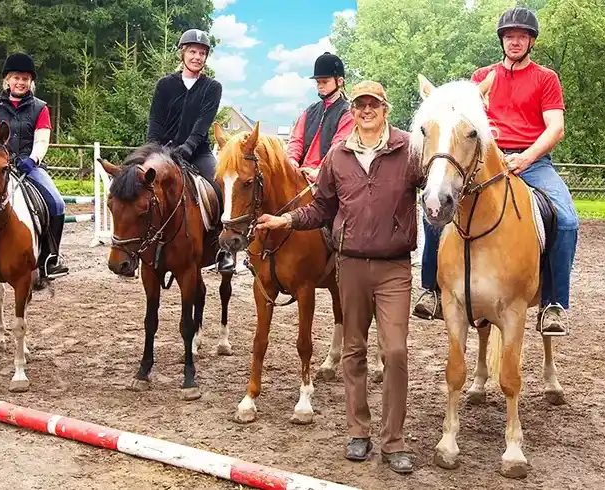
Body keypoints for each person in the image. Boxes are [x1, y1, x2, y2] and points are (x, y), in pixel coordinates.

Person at [255, 80, 421, 474]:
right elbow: (322, 209)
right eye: (360, 105)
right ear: (353, 111)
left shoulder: (409, 151)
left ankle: (393, 440)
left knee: (395, 351)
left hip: (394, 266)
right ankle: (358, 432)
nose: (366, 111)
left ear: (386, 108)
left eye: (374, 105)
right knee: (353, 350)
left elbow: (437, 189)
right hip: (350, 265)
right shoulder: (338, 156)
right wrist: (287, 219)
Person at [412, 6, 579, 336]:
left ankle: (554, 303)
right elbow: (462, 122)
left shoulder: (546, 79)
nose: (515, 41)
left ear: (531, 42)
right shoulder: (480, 78)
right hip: (487, 161)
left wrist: (527, 157)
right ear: (502, 41)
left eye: (521, 36)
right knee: (435, 207)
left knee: (568, 219)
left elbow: (555, 128)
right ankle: (431, 288)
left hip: (532, 163)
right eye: (509, 36)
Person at [145, 28, 234, 272]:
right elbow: (155, 120)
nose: (197, 57)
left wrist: (188, 147)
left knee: (220, 186)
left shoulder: (212, 87)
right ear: (183, 53)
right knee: (139, 186)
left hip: (197, 152)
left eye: (202, 53)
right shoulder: (165, 85)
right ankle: (139, 246)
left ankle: (223, 250)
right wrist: (153, 149)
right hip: (163, 152)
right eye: (193, 51)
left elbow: (202, 124)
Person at [0, 52, 69, 282]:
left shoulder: (40, 108)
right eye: (16, 77)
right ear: (7, 80)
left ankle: (50, 258)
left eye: (25, 79)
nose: (20, 82)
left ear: (31, 82)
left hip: (29, 167)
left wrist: (33, 159)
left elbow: (42, 140)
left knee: (57, 204)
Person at [286, 52, 354, 184]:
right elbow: (296, 140)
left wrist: (320, 170)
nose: (320, 86)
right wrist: (292, 160)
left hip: (329, 177)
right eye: (318, 82)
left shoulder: (348, 113)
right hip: (302, 174)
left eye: (325, 81)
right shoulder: (310, 111)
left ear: (339, 81)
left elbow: (337, 148)